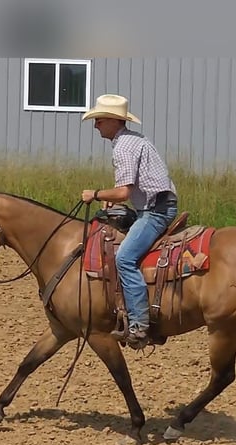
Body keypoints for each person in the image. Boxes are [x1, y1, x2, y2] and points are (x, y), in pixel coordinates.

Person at [80, 94, 178, 349]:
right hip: (155, 204)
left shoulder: (123, 147)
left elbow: (123, 192)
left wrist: (97, 194)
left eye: (99, 120)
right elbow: (127, 188)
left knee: (124, 258)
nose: (96, 125)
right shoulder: (132, 140)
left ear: (113, 121)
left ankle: (139, 325)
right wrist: (111, 197)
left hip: (155, 211)